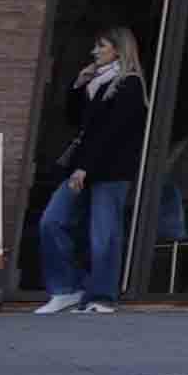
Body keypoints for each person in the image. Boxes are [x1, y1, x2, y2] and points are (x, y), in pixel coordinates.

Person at [32, 29, 143, 315]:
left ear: (118, 50)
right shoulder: (96, 83)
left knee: (103, 235)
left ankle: (102, 297)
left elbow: (111, 133)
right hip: (82, 169)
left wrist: (85, 167)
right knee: (51, 221)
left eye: (101, 46)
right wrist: (78, 85)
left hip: (109, 170)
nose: (95, 52)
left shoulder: (128, 84)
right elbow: (74, 119)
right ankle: (67, 289)